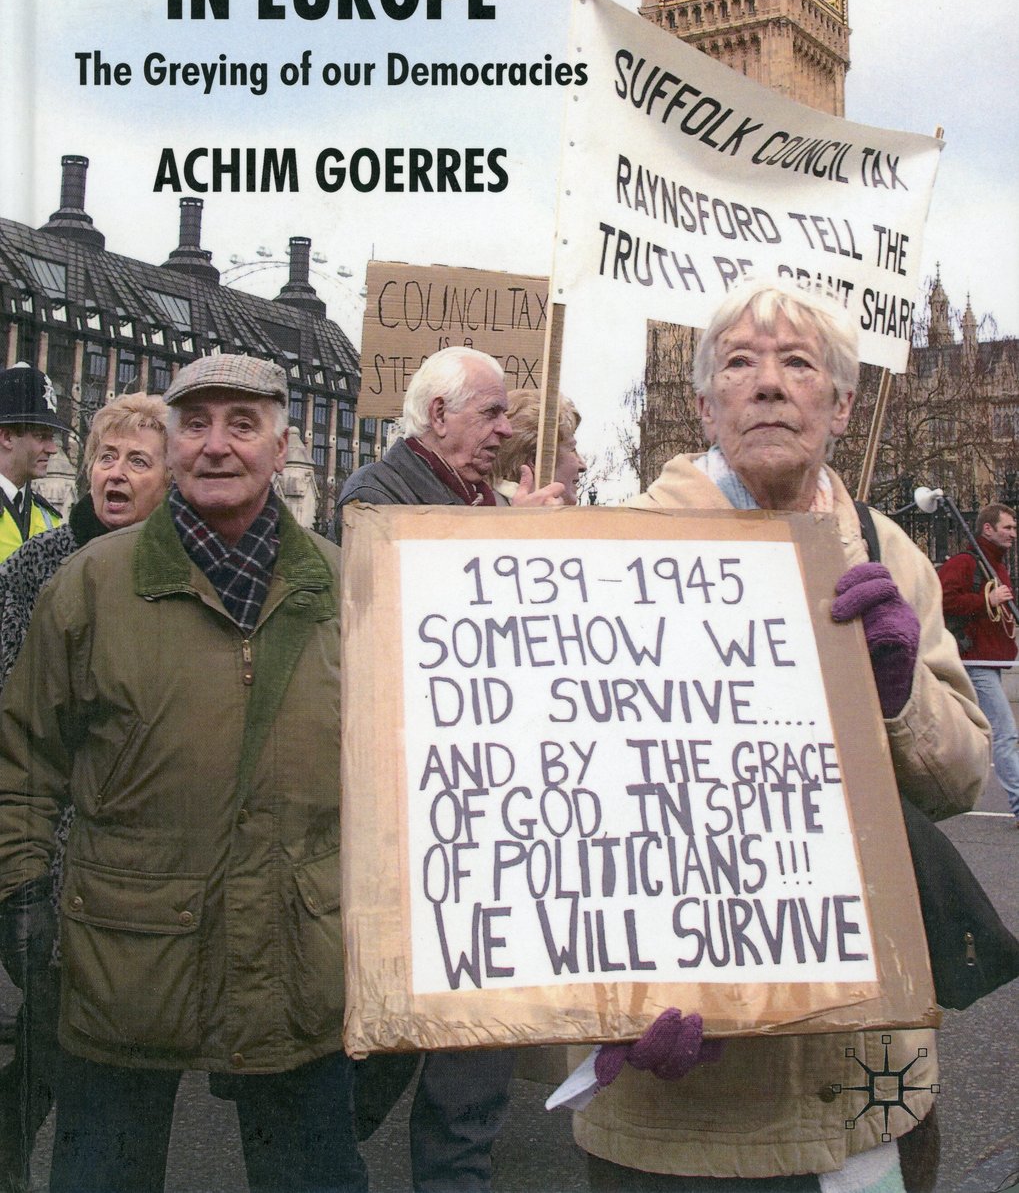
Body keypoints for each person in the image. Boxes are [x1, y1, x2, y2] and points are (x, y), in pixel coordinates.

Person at [573, 281, 989, 1193]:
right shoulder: (604, 552)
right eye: (739, 363)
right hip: (678, 1115)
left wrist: (900, 696)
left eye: (797, 363)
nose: (767, 383)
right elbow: (551, 826)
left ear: (840, 405)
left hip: (863, 1091)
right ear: (702, 404)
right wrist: (596, 1005)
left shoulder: (889, 552)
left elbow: (961, 781)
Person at [0, 354, 366, 1193]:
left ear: (282, 447)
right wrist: (23, 902)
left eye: (242, 424)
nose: (216, 444)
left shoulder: (346, 587)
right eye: (194, 424)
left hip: (299, 965)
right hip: (122, 968)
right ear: (170, 447)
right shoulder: (91, 585)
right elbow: (22, 760)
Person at [339, 346, 563, 1193]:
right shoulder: (373, 496)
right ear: (438, 416)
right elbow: (411, 612)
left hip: (487, 818)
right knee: (393, 1044)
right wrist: (507, 538)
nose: (506, 431)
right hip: (418, 817)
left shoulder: (479, 502)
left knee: (473, 1053)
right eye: (491, 413)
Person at [0, 392, 170, 1193]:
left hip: (146, 873)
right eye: (106, 456)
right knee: (77, 1052)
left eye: (139, 460)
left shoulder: (181, 576)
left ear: (169, 479)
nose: (116, 474)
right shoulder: (35, 569)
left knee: (82, 1055)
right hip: (55, 862)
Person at [937, 503, 1018, 828]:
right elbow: (941, 600)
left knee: (975, 733)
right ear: (988, 529)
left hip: (990, 659)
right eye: (1007, 527)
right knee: (1005, 733)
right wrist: (987, 601)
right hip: (975, 660)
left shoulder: (994, 565)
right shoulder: (965, 563)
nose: (1013, 534)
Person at [0, 365, 67, 565]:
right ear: (7, 437)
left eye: (51, 437)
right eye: (41, 436)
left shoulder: (48, 517)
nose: (52, 449)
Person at [493, 389, 588, 505]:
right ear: (537, 461)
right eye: (572, 449)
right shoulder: (489, 510)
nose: (583, 466)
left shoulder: (490, 505)